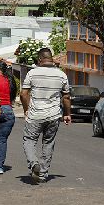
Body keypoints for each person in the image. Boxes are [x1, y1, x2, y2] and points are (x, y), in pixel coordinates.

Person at [20, 48, 71, 183]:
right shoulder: (62, 75)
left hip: (35, 115)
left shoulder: (32, 73)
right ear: (51, 58)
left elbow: (23, 94)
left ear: (40, 59)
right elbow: (66, 97)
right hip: (54, 116)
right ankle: (42, 175)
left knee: (29, 140)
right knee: (48, 143)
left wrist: (26, 109)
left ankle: (33, 163)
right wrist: (67, 114)